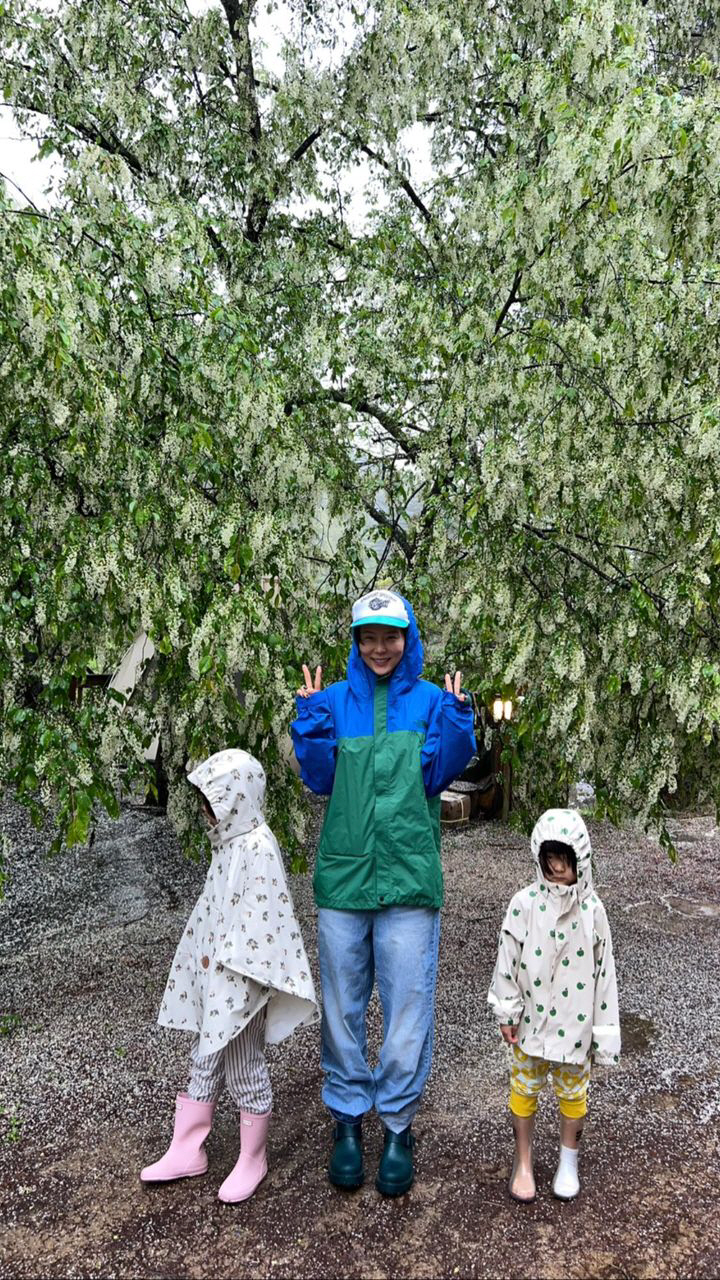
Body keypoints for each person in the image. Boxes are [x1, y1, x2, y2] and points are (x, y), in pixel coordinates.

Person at [291, 589, 475, 1197]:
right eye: (368, 637)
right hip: (344, 880)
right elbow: (320, 780)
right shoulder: (335, 702)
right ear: (355, 642)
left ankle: (397, 1126)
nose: (379, 648)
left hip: (409, 878)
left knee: (406, 1010)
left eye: (390, 636)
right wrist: (313, 724)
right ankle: (347, 1122)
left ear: (408, 638)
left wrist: (454, 720)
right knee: (342, 1008)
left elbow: (437, 774)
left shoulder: (427, 701)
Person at [140, 749, 318, 1202]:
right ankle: (188, 1147)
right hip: (217, 977)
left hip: (242, 984)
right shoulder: (228, 844)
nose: (205, 812)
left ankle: (252, 1157)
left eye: (211, 802)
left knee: (242, 1065)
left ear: (235, 798)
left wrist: (237, 979)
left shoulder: (257, 846)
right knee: (203, 1058)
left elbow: (265, 920)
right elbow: (214, 909)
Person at [488, 808, 620, 1203]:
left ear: (581, 859)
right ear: (540, 856)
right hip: (530, 1025)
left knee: (573, 1094)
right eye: (550, 858)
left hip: (575, 1028)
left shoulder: (593, 911)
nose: (558, 868)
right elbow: (506, 959)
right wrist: (507, 1010)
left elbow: (604, 974)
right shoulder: (524, 904)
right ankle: (523, 1160)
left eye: (565, 859)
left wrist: (604, 1033)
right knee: (523, 1089)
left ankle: (568, 1160)